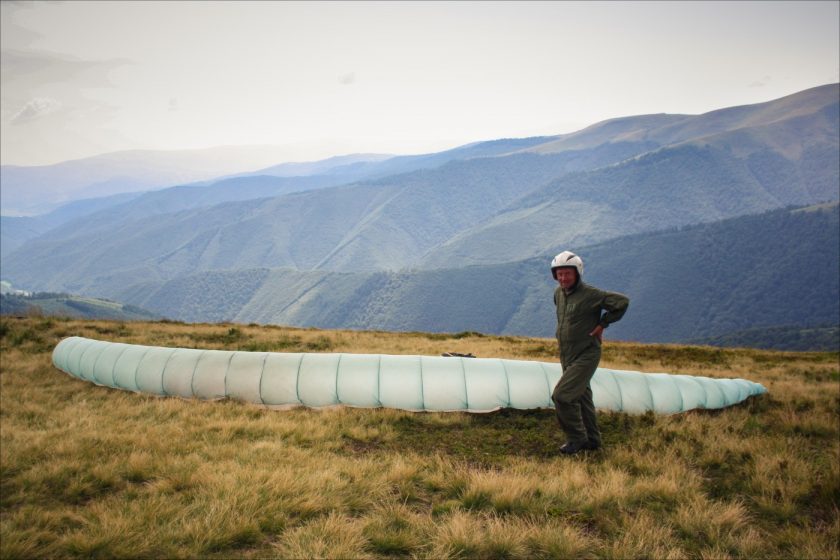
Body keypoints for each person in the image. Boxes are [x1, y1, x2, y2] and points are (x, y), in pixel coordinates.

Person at [550, 251, 629, 455]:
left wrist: (603, 324)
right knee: (582, 396)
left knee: (562, 396)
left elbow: (622, 302)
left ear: (577, 273)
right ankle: (593, 441)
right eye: (559, 274)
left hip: (586, 353)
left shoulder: (591, 294)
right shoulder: (558, 294)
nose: (563, 278)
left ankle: (577, 439)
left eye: (567, 274)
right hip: (567, 354)